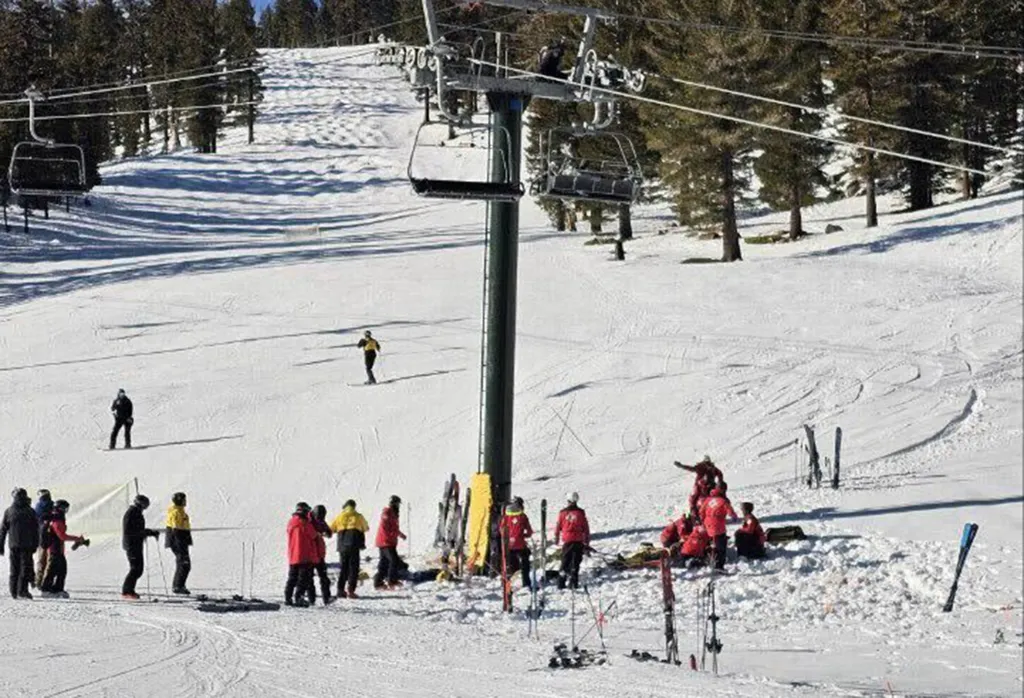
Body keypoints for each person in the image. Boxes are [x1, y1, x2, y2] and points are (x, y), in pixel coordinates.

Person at [40, 499, 88, 597]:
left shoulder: (56, 518)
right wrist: (77, 539)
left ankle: (57, 589)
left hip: (58, 548)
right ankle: (46, 590)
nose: (66, 510)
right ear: (60, 508)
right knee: (52, 570)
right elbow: (62, 536)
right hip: (55, 548)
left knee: (62, 570)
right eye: (65, 508)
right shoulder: (57, 520)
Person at [0, 488, 39, 599]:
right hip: (27, 545)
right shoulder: (30, 511)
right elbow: (36, 530)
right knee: (24, 568)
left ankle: (14, 591)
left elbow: (3, 529)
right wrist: (35, 544)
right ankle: (22, 591)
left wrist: (1, 544)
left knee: (14, 568)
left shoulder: (9, 511)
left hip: (14, 544)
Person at [121, 494, 160, 599]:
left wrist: (149, 532)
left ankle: (129, 590)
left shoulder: (136, 513)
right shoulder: (132, 513)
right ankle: (127, 591)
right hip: (132, 544)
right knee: (136, 569)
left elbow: (137, 529)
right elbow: (131, 531)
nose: (145, 507)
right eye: (145, 505)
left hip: (136, 543)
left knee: (138, 569)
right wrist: (147, 533)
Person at [330, 499, 368, 599]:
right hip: (354, 546)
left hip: (342, 547)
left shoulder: (339, 516)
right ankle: (351, 591)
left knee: (343, 569)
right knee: (353, 569)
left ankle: (340, 591)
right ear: (354, 506)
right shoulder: (359, 516)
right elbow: (366, 528)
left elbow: (332, 529)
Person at [554, 492, 590, 590]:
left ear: (568, 500)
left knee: (565, 562)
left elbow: (558, 526)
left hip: (567, 540)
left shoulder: (562, 513)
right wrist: (587, 541)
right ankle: (573, 583)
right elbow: (585, 527)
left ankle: (560, 583)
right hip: (578, 540)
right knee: (576, 562)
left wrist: (556, 537)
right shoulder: (581, 512)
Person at [285, 502, 318, 607]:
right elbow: (313, 535)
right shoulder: (305, 523)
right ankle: (299, 598)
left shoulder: (291, 522)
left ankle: (288, 597)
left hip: (293, 554)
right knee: (302, 579)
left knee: (292, 577)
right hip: (305, 555)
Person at [499, 497, 534, 589]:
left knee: (508, 565)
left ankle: (506, 583)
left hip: (508, 546)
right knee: (525, 564)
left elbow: (501, 530)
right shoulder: (523, 516)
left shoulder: (506, 517)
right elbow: (529, 532)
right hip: (520, 545)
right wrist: (523, 535)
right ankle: (526, 583)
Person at [373, 495, 406, 590]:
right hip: (386, 541)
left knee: (384, 563)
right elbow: (386, 527)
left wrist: (400, 534)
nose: (398, 506)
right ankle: (392, 581)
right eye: (397, 503)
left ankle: (378, 583)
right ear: (393, 503)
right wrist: (394, 534)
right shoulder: (387, 512)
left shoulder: (393, 513)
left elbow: (393, 528)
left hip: (387, 541)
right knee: (394, 560)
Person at [700, 488, 737, 570]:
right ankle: (719, 566)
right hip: (718, 525)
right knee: (721, 546)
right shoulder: (723, 501)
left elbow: (701, 512)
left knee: (711, 543)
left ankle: (709, 560)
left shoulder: (707, 500)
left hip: (708, 525)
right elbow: (730, 512)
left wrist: (704, 521)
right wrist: (734, 517)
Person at [165, 492, 193, 595]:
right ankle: (178, 586)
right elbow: (176, 529)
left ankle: (179, 585)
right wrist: (180, 543)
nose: (186, 502)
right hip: (178, 541)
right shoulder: (176, 512)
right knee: (184, 564)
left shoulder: (179, 511)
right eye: (184, 500)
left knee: (183, 564)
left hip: (181, 540)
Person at [308, 504, 333, 605]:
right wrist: (318, 533)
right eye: (318, 517)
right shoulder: (307, 521)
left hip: (319, 553)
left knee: (324, 577)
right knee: (309, 578)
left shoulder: (321, 521)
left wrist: (327, 532)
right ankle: (311, 599)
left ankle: (326, 598)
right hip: (310, 553)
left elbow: (329, 532)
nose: (320, 520)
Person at [34, 488, 54, 589]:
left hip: (40, 536)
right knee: (49, 560)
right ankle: (46, 582)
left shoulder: (38, 506)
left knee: (41, 560)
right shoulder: (53, 505)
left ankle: (38, 581)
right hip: (52, 537)